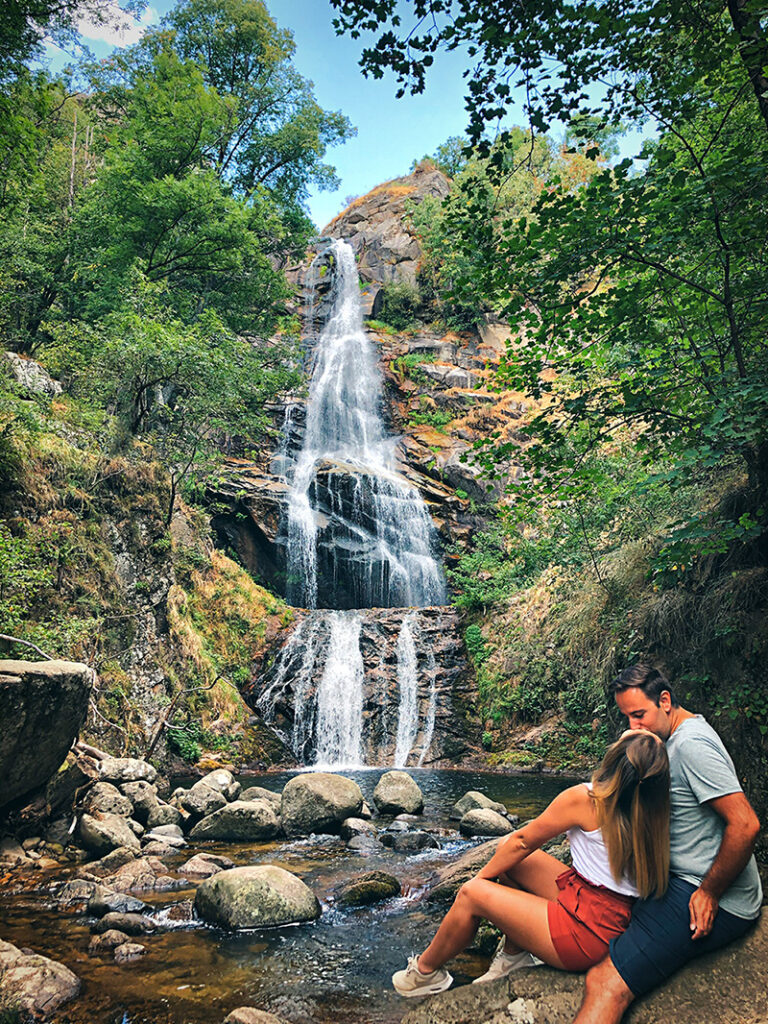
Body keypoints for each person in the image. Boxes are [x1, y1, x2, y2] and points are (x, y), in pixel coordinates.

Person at [392, 729, 671, 997]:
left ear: (614, 759)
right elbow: (515, 848)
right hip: (607, 915)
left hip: (585, 936)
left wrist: (479, 881)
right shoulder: (653, 804)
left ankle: (424, 974)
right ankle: (514, 958)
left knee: (471, 894)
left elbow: (523, 840)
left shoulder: (587, 799)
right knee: (509, 855)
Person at [573, 664, 762, 1024]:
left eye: (639, 714)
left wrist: (709, 893)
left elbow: (746, 824)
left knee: (604, 983)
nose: (633, 727)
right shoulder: (668, 740)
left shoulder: (692, 745)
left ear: (665, 701)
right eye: (627, 717)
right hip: (675, 878)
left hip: (710, 892)